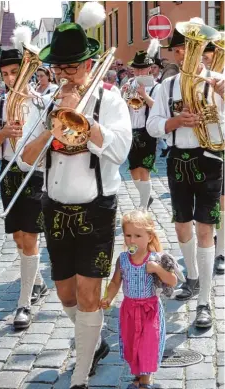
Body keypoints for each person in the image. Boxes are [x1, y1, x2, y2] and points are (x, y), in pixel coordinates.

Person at [17, 7, 132, 388]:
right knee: (66, 292)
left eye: (73, 68)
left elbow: (119, 152)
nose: (66, 76)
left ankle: (79, 378)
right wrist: (52, 125)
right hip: (55, 208)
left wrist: (85, 120)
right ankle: (93, 341)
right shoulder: (44, 103)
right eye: (60, 69)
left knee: (87, 292)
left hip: (97, 207)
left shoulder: (110, 100)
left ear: (89, 64)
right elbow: (25, 159)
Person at [147, 20, 224, 328]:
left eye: (189, 48)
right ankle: (191, 276)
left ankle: (204, 299)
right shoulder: (166, 86)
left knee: (205, 230)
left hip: (210, 159)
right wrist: (175, 122)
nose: (184, 54)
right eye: (179, 49)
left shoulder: (219, 80)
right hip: (179, 159)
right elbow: (153, 126)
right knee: (181, 227)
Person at [0, 37, 47, 330]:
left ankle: (24, 304)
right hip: (8, 172)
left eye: (16, 72)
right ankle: (36, 281)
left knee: (30, 237)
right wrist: (2, 134)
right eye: (6, 74)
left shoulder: (42, 103)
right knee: (18, 238)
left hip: (35, 174)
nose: (11, 78)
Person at [101, 210, 177, 389]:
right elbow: (115, 282)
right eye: (128, 235)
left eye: (137, 235)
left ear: (149, 236)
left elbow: (172, 280)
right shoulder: (123, 260)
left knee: (147, 345)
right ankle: (137, 376)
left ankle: (145, 382)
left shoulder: (154, 259)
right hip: (129, 310)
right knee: (132, 344)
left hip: (150, 311)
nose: (132, 240)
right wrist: (108, 297)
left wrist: (158, 269)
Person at [121, 47, 161, 211]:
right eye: (136, 68)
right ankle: (147, 196)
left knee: (144, 169)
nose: (139, 71)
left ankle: (143, 205)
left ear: (149, 68)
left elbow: (158, 108)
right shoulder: (129, 83)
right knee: (132, 169)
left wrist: (144, 95)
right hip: (131, 130)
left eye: (142, 68)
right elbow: (122, 108)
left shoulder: (157, 87)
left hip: (147, 131)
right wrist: (123, 96)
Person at [202, 41, 225, 275]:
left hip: (223, 141)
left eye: (208, 53)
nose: (205, 57)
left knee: (223, 199)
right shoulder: (197, 75)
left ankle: (221, 251)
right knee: (212, 199)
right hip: (204, 142)